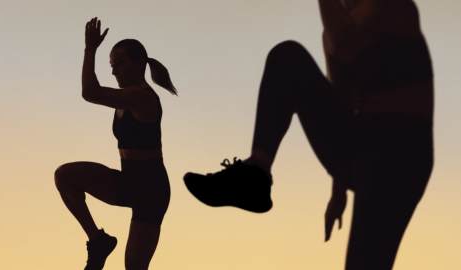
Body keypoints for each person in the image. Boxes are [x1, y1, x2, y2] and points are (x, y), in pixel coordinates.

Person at [184, 0, 433, 269]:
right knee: (288, 58)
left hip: (400, 153)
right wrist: (339, 190)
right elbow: (343, 101)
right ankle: (256, 173)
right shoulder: (335, 27)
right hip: (361, 145)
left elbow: (346, 45)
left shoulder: (392, 6)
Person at [55, 17, 177, 270]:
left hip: (151, 191)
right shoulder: (123, 98)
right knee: (65, 176)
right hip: (128, 181)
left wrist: (90, 49)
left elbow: (90, 92)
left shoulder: (141, 98)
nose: (113, 71)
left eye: (118, 64)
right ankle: (98, 240)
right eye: (111, 65)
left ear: (138, 63)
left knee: (133, 267)